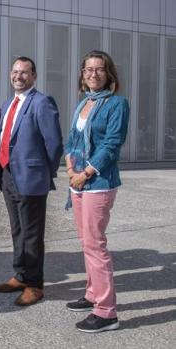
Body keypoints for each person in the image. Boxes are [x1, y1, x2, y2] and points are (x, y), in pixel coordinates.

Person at [64, 50, 129, 333]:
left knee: (95, 244)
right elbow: (72, 139)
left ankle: (106, 312)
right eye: (88, 69)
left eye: (99, 69)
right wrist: (69, 170)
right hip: (77, 180)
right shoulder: (84, 103)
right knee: (86, 242)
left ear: (109, 73)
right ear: (82, 74)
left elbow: (112, 144)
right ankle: (92, 294)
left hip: (97, 182)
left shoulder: (117, 104)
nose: (93, 74)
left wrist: (86, 173)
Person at [0, 56, 63, 306]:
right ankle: (20, 275)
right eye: (15, 72)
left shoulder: (42, 102)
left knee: (32, 234)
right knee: (17, 230)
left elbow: (54, 144)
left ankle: (35, 285)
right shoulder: (9, 102)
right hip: (7, 174)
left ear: (33, 76)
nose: (18, 76)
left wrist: (43, 171)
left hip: (31, 177)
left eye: (24, 72)